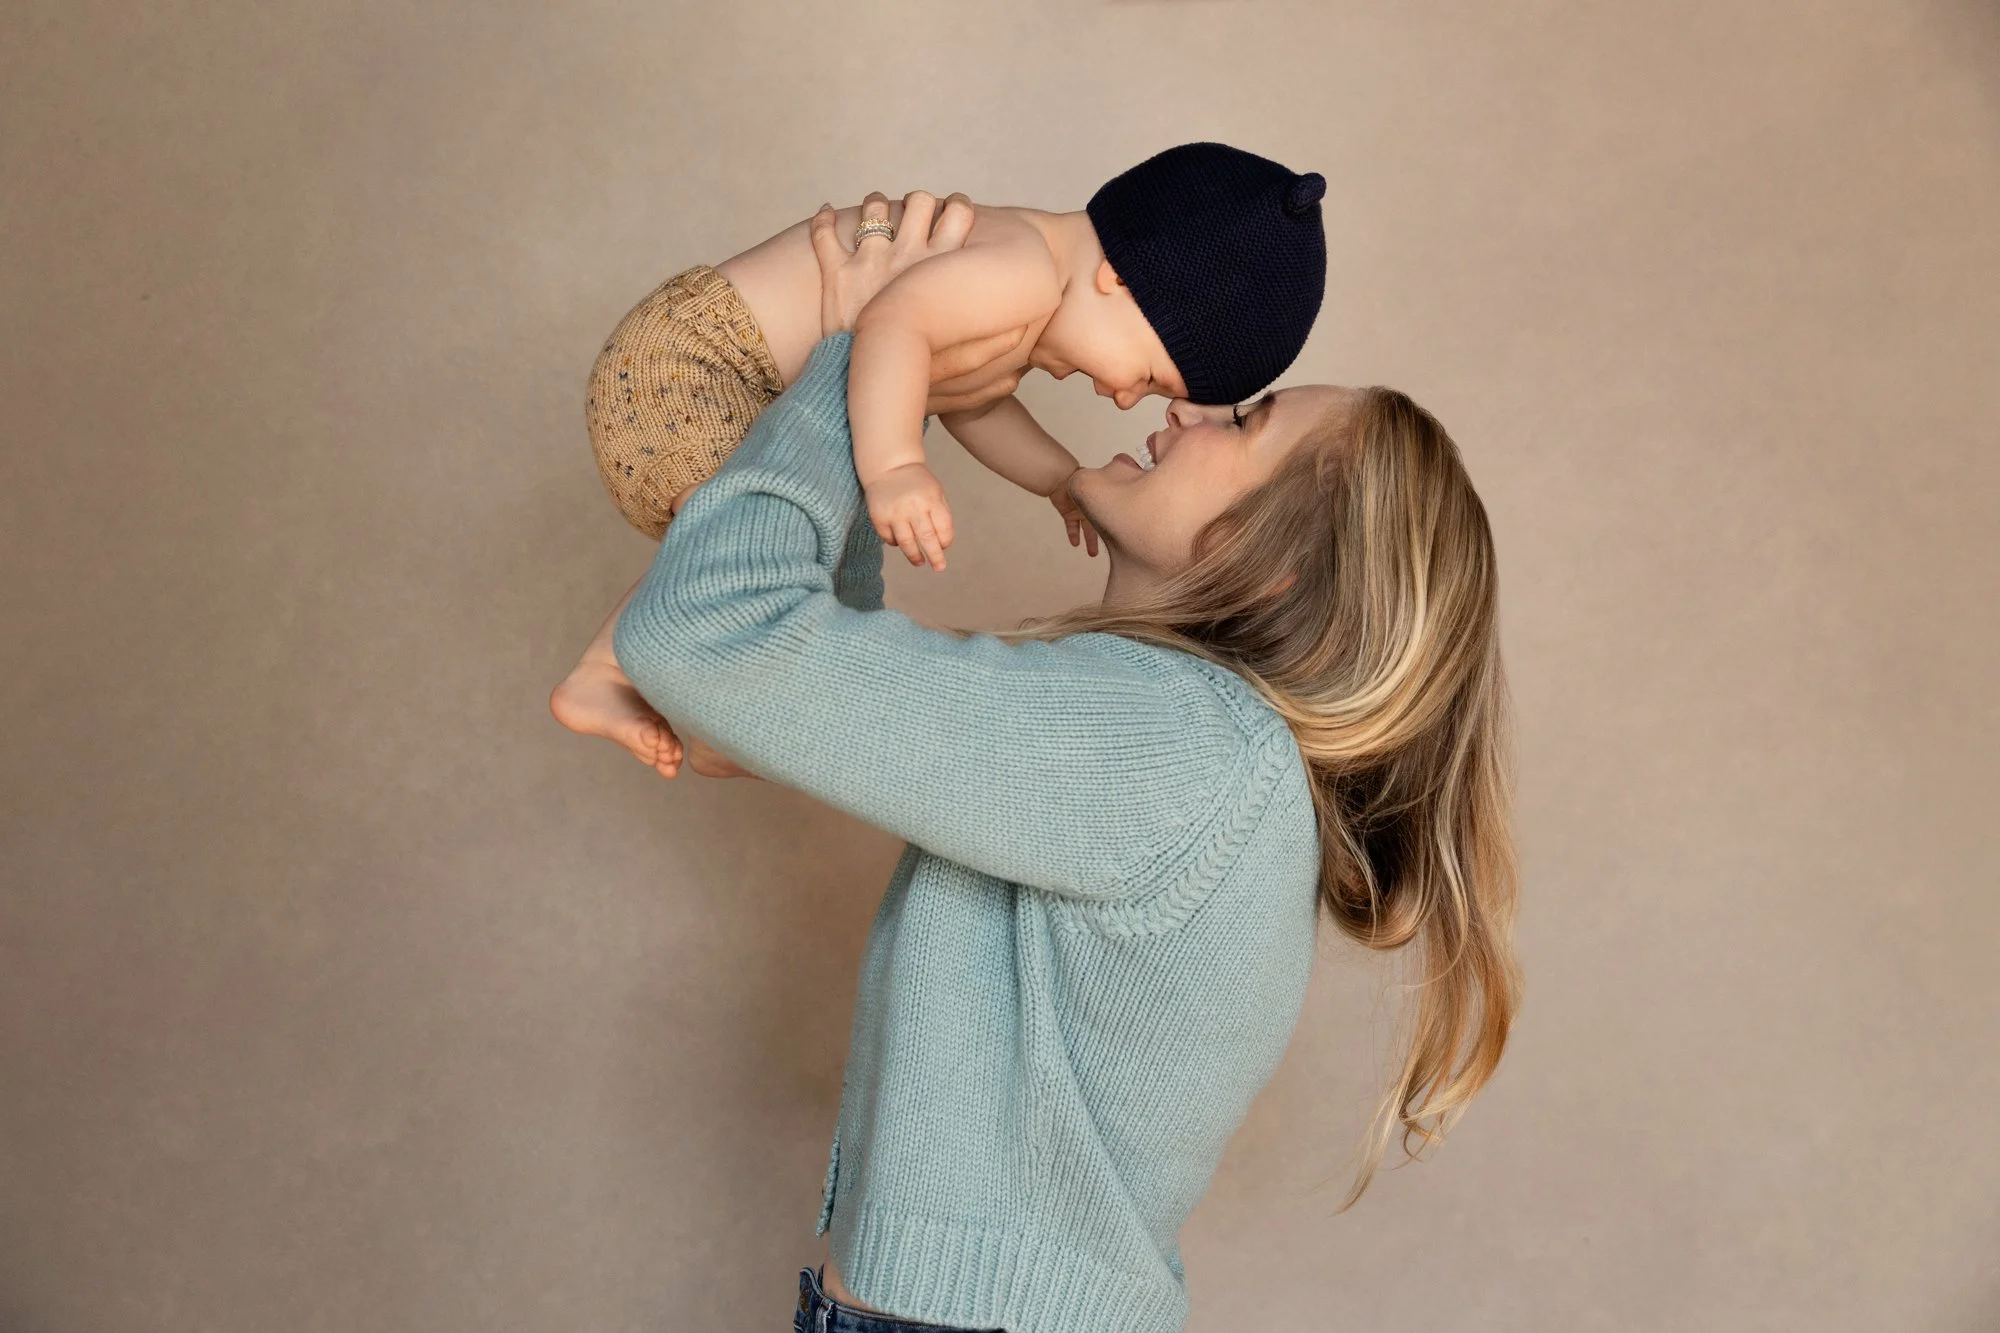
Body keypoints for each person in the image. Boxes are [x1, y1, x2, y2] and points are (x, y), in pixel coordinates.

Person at [602, 196, 1522, 1333]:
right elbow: (785, 693)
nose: (1187, 413)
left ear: (1278, 567)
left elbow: (705, 641)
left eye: (1242, 427)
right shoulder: (1194, 749)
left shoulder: (1174, 745)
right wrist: (881, 394)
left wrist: (864, 332)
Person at [553, 144, 1329, 776]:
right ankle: (620, 671)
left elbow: (972, 399)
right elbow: (892, 319)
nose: (1126, 398)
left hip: (739, 384)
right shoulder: (1020, 270)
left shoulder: (1022, 299)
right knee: (754, 544)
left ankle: (706, 711)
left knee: (827, 570)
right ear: (1120, 279)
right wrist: (893, 466)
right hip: (694, 364)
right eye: (1151, 375)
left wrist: (1058, 478)